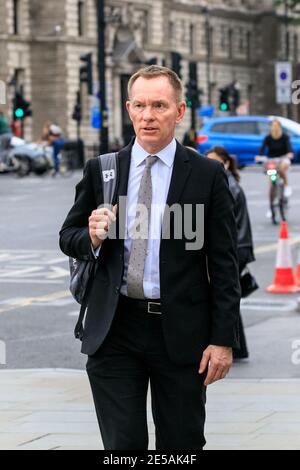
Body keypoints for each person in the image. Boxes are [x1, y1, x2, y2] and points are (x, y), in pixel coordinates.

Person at [59, 65, 240, 450]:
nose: (148, 115)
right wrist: (90, 237)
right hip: (115, 328)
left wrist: (223, 339)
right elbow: (67, 237)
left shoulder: (206, 175)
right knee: (123, 447)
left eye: (159, 105)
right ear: (128, 109)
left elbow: (225, 263)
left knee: (182, 444)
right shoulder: (103, 170)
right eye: (139, 105)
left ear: (179, 111)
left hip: (181, 332)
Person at [206, 146, 255, 360]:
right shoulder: (228, 183)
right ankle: (239, 346)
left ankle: (232, 344)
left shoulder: (228, 186)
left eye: (215, 161)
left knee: (225, 294)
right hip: (241, 246)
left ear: (225, 163)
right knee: (228, 296)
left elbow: (225, 226)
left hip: (237, 247)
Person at [256, 119, 294, 198]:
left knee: (282, 168)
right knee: (271, 178)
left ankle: (286, 186)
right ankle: (271, 206)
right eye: (273, 126)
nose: (275, 127)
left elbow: (289, 147)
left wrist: (290, 153)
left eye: (276, 126)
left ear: (280, 127)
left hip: (283, 158)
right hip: (272, 159)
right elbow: (262, 148)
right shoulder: (268, 137)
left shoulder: (285, 137)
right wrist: (259, 156)